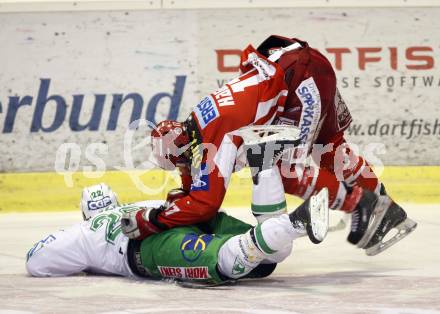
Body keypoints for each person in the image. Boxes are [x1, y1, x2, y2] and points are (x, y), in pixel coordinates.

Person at [126, 35, 416, 256]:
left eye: (179, 163)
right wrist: (181, 196)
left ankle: (360, 204)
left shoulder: (210, 138)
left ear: (183, 151)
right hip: (303, 67)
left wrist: (156, 220)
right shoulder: (195, 125)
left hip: (301, 80)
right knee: (329, 147)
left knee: (286, 173)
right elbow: (196, 179)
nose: (181, 169)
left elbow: (205, 203)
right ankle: (384, 203)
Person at [26, 183, 329, 286]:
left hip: (146, 248)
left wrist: (86, 264)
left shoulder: (83, 232)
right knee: (269, 258)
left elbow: (36, 260)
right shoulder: (137, 204)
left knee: (228, 264)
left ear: (85, 213)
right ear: (116, 203)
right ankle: (264, 168)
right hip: (179, 215)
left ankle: (295, 222)